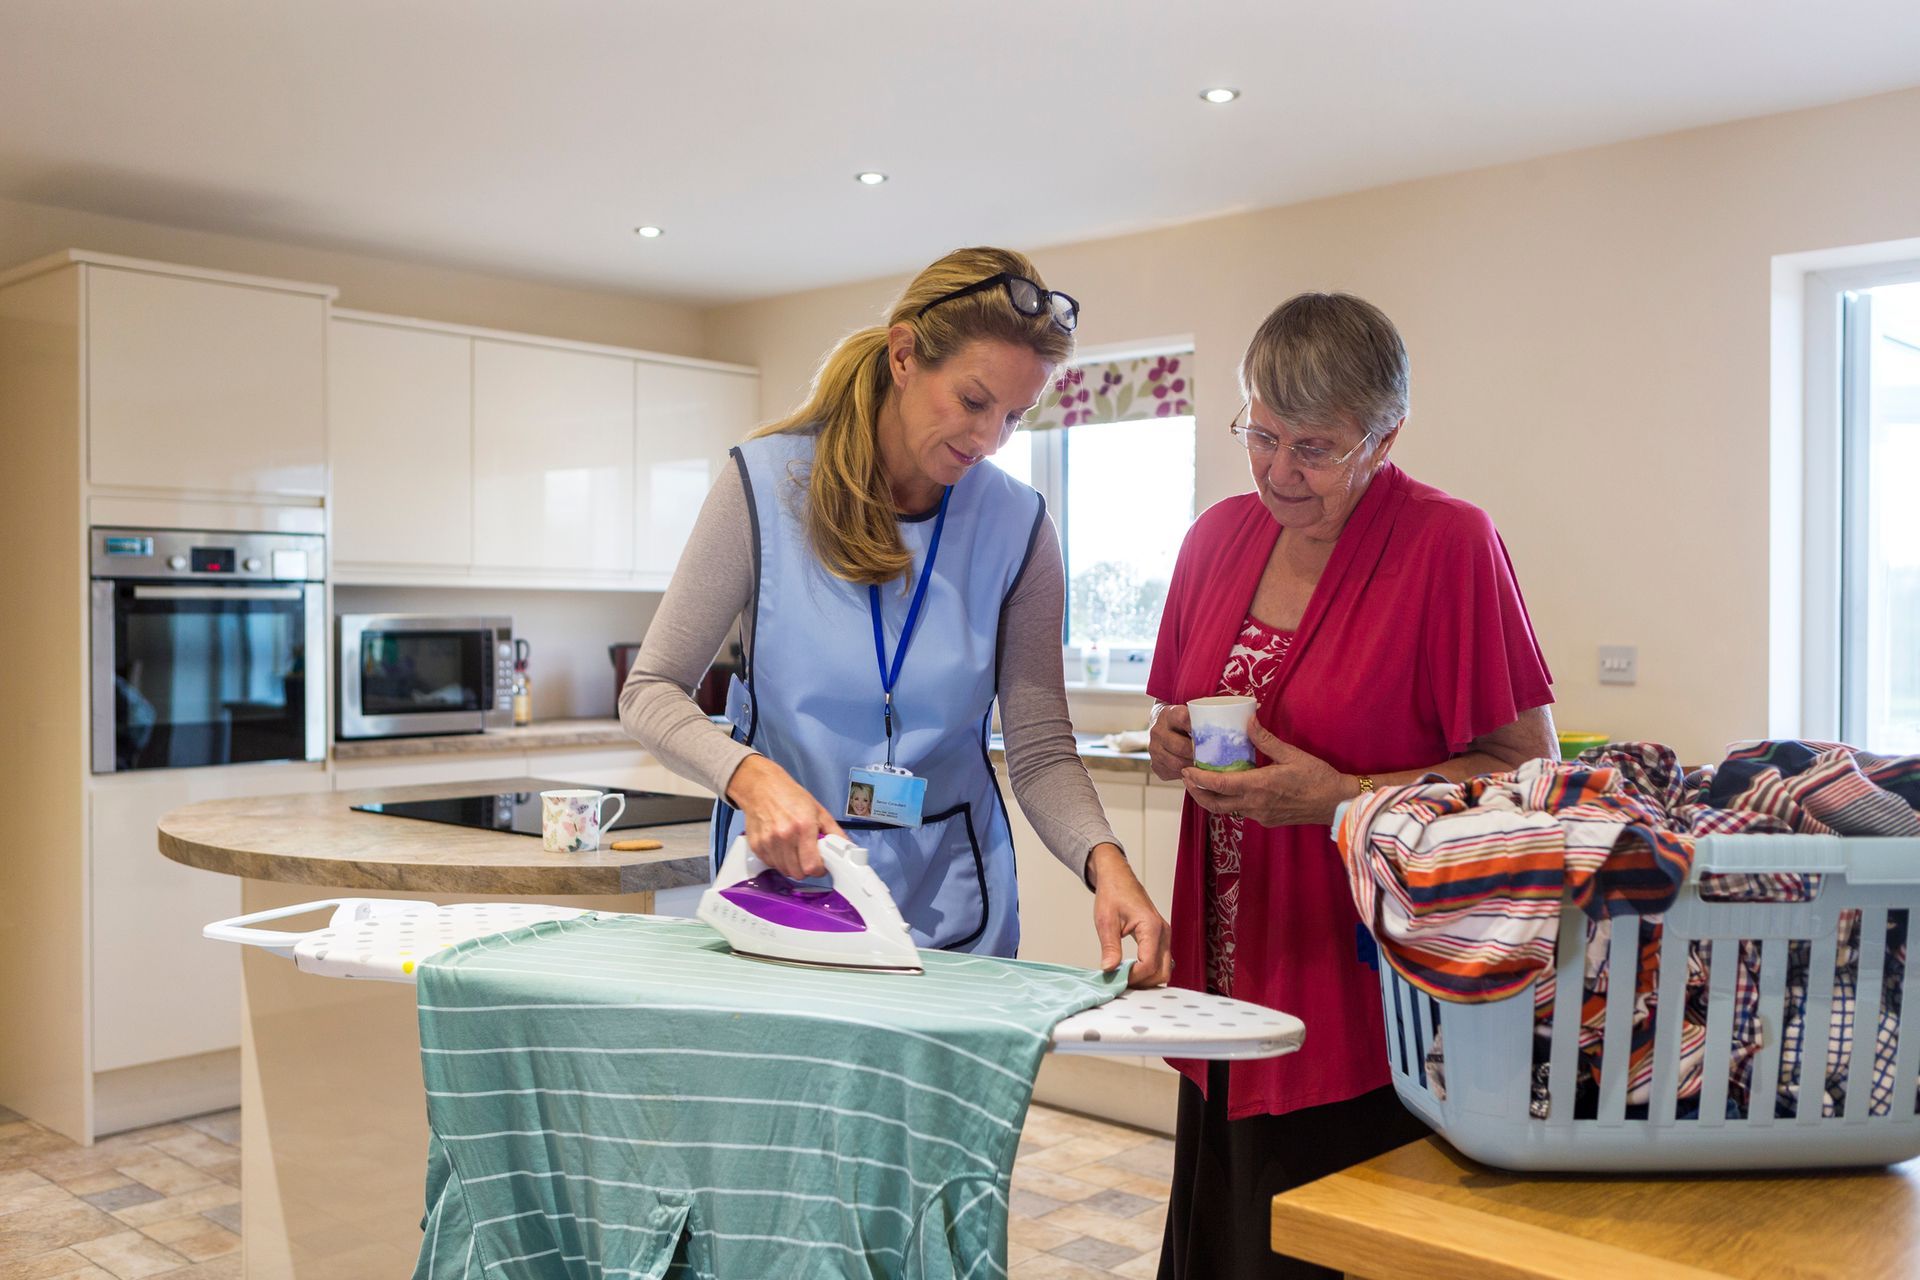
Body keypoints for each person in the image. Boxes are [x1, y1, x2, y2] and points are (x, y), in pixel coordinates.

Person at [622, 246, 1170, 982]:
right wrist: (751, 778)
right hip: (788, 891)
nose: (989, 441)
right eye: (974, 403)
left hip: (957, 909)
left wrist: (1108, 865)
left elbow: (1038, 749)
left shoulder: (1019, 527)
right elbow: (650, 688)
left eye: (1016, 416)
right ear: (905, 354)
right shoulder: (763, 488)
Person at [1147, 293, 1557, 1277]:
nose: (1280, 472)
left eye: (1315, 448)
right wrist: (1170, 739)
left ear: (1386, 435)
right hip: (1228, 968)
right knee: (1222, 1237)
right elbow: (1185, 713)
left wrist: (1342, 797)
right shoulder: (1214, 540)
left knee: (1310, 1246)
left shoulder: (1448, 544)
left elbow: (1528, 771)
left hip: (1359, 988)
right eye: (1262, 433)